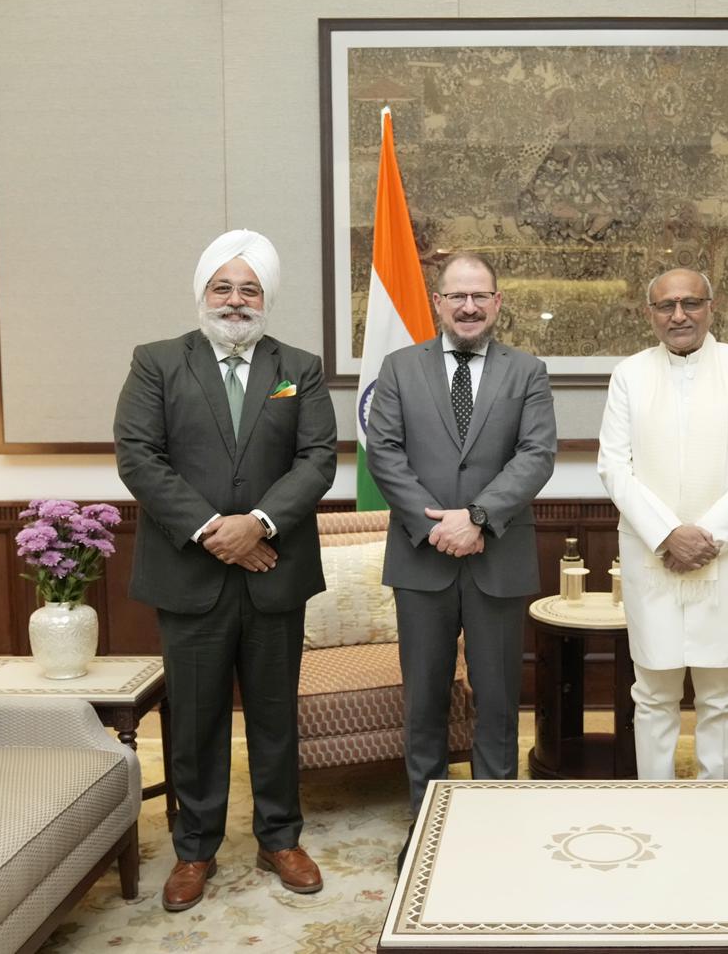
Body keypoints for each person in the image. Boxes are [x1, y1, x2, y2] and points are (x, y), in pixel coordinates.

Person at [114, 229, 337, 911]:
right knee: (198, 717)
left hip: (276, 573)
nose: (236, 300)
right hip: (190, 575)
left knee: (274, 717)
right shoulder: (156, 362)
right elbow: (139, 456)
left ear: (266, 298)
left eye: (249, 289)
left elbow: (318, 459)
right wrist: (217, 531)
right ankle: (195, 849)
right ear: (203, 293)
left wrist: (259, 524)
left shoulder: (299, 365)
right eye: (223, 286)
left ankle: (279, 838)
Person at [366, 252, 556, 869]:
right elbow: (385, 455)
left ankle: (496, 824)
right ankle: (427, 830)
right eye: (458, 296)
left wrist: (474, 518)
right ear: (438, 304)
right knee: (424, 698)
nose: (469, 306)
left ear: (498, 303)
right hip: (422, 559)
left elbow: (536, 457)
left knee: (499, 697)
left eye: (481, 296)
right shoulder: (398, 368)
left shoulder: (527, 370)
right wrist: (439, 526)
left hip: (497, 556)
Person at [597, 268, 728, 779]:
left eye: (690, 303)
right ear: (650, 314)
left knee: (721, 694)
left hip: (725, 558)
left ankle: (715, 803)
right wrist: (668, 535)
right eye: (666, 306)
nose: (678, 315)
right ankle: (656, 803)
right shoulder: (629, 375)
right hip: (653, 557)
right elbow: (614, 465)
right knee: (653, 692)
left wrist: (706, 537)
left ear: (711, 305)